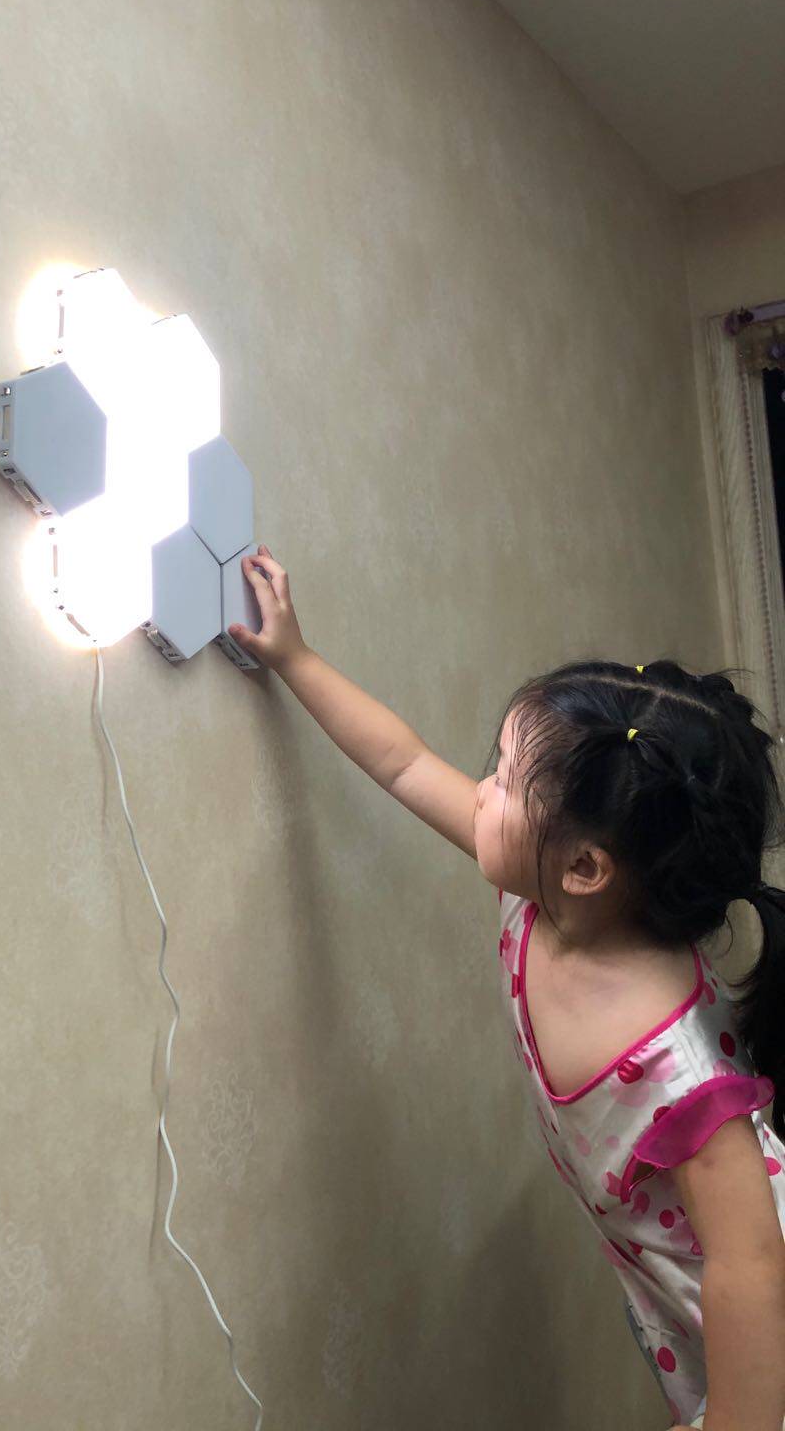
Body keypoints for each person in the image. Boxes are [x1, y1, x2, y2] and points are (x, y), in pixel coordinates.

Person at [228, 547, 785, 1431]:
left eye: (505, 779)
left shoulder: (684, 1081)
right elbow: (404, 763)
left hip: (753, 1325)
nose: (482, 790)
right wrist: (295, 657)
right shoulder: (543, 891)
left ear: (587, 866)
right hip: (672, 1300)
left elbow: (753, 1269)